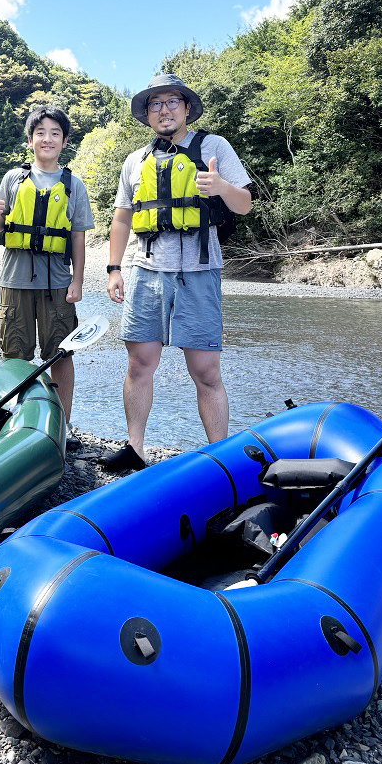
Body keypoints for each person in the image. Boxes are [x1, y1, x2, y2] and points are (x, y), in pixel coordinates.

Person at [103, 74, 252, 471]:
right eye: (155, 104)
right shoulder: (135, 161)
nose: (164, 110)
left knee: (205, 370)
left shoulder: (214, 147)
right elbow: (121, 219)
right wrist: (114, 268)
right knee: (138, 363)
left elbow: (244, 204)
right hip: (146, 270)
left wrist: (220, 185)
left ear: (186, 108)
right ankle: (135, 448)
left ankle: (219, 456)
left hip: (200, 271)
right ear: (147, 114)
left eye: (172, 102)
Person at [0, 105, 94, 446]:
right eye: (40, 133)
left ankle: (62, 424)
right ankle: (16, 423)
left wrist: (77, 281)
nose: (47, 139)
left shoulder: (74, 185)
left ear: (64, 141)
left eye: (55, 133)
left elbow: (77, 236)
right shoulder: (12, 179)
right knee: (14, 353)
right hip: (15, 279)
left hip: (57, 282)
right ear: (30, 140)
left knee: (60, 354)